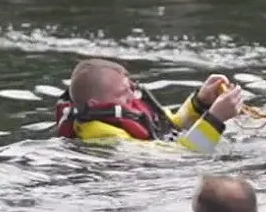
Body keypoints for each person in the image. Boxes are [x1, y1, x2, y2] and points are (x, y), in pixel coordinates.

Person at [55, 57, 246, 154]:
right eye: (124, 94)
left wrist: (201, 102)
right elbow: (184, 156)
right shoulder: (104, 136)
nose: (133, 95)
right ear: (96, 104)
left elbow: (171, 127)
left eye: (131, 87)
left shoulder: (126, 107)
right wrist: (215, 119)